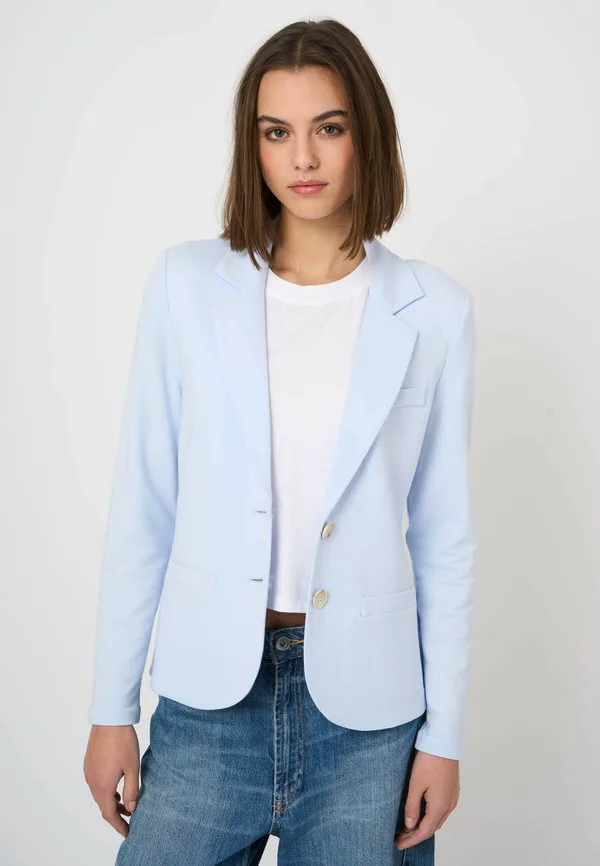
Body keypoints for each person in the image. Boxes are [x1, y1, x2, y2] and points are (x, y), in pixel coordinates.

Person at [83, 17, 476, 866]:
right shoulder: (187, 286)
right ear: (252, 146)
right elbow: (145, 506)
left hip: (368, 722)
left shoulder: (434, 311)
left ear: (367, 134)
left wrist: (444, 735)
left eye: (328, 128)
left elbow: (444, 538)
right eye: (276, 133)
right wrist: (110, 709)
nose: (303, 158)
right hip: (208, 706)